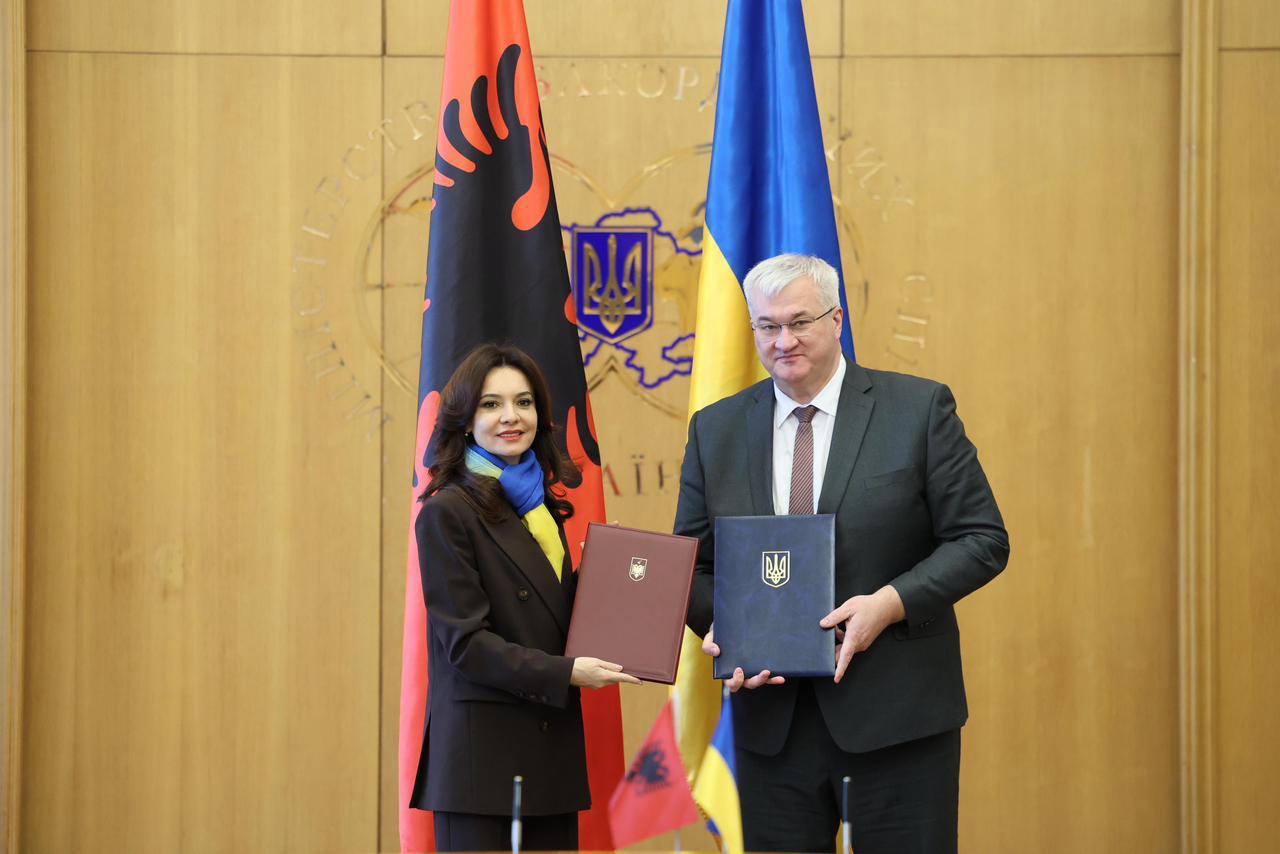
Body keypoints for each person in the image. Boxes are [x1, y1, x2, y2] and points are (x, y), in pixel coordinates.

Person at [675, 254, 1009, 854]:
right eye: (767, 326)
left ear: (836, 319)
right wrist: (727, 626)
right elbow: (692, 566)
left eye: (799, 322)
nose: (783, 342)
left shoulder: (918, 411)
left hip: (898, 718)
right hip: (772, 723)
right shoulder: (715, 429)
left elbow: (982, 539)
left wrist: (890, 603)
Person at [409, 343, 640, 852]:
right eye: (491, 404)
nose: (511, 416)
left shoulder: (539, 504)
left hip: (548, 757)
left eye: (524, 402)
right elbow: (467, 646)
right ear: (465, 421)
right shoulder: (447, 512)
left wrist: (600, 579)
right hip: (484, 768)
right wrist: (567, 673)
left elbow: (542, 615)